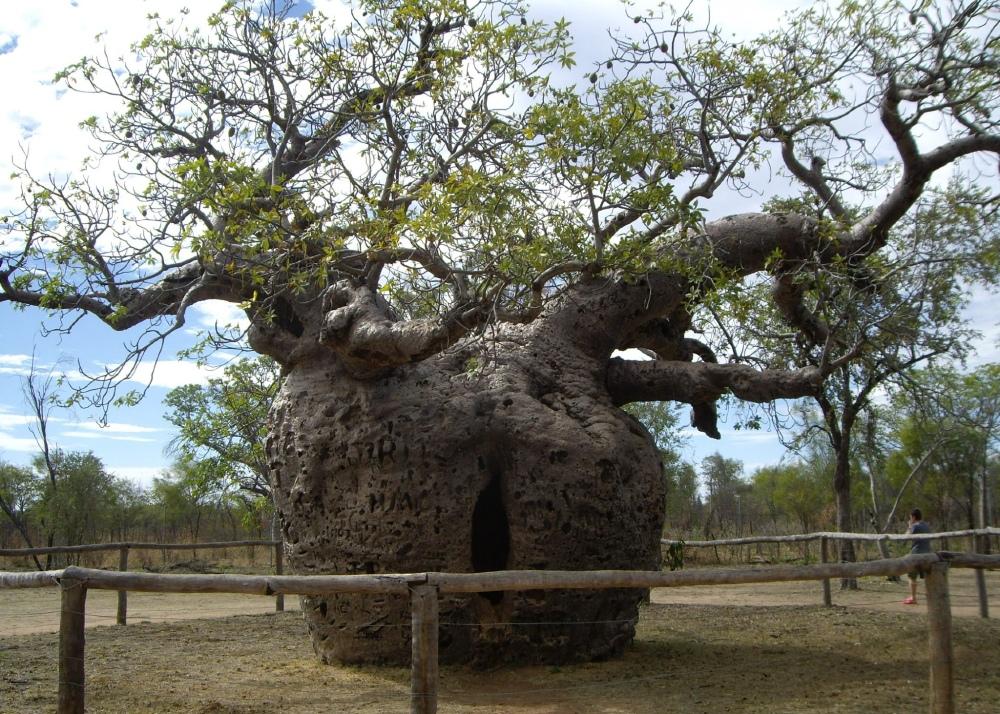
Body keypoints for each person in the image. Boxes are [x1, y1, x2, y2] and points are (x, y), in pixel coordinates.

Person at [903, 508, 932, 605]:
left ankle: (913, 597)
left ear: (913, 517)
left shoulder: (915, 526)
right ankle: (931, 596)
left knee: (911, 576)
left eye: (910, 517)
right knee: (928, 576)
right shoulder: (927, 525)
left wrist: (909, 526)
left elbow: (905, 537)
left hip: (916, 553)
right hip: (928, 553)